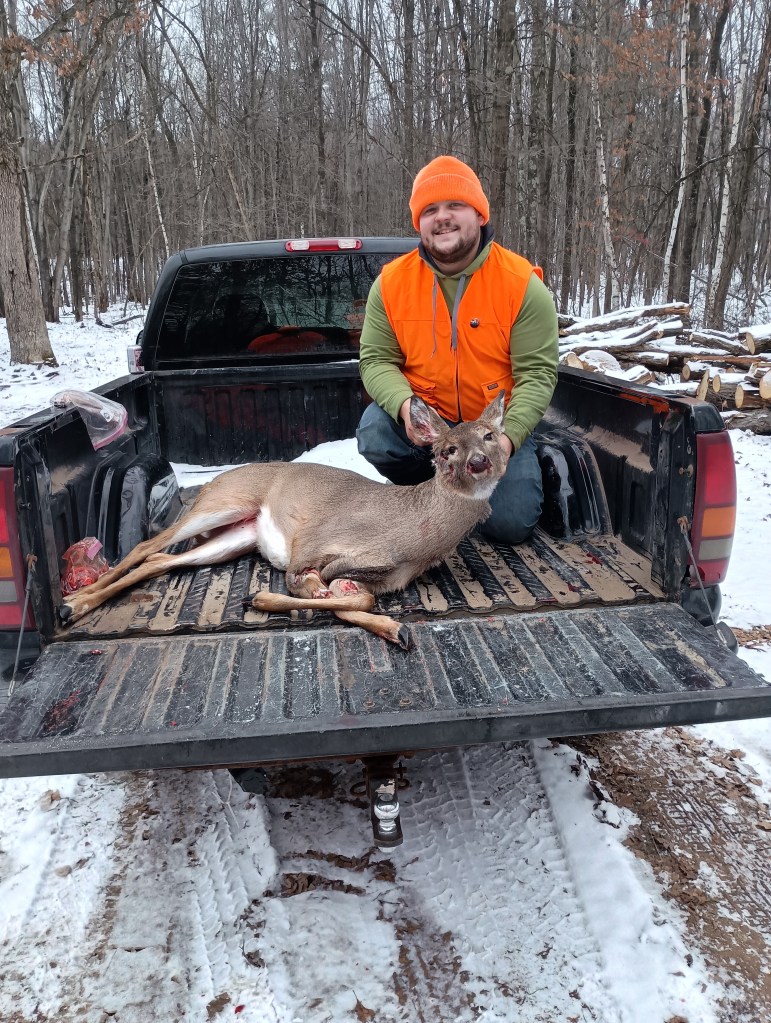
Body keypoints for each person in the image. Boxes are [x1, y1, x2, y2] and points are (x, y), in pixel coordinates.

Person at [356, 155, 559, 545]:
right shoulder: (392, 284)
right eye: (429, 210)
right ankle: (432, 494)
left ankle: (466, 495)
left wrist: (506, 441)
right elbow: (377, 359)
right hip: (434, 423)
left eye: (455, 205)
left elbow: (537, 375)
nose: (442, 217)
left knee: (511, 524)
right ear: (419, 222)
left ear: (479, 215)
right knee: (375, 432)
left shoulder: (520, 285)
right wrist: (406, 408)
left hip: (491, 429)